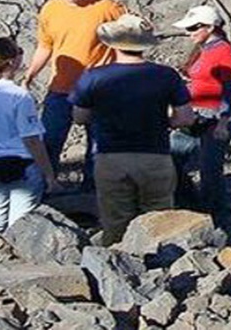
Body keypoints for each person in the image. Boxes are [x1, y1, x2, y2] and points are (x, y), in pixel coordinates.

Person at [70, 15, 197, 245]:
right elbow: (185, 117)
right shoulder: (166, 75)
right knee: (159, 220)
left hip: (111, 157)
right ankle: (162, 261)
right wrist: (162, 121)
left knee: (115, 221)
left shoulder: (94, 76)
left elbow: (79, 117)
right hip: (155, 155)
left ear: (114, 43)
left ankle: (116, 259)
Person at [23, 0, 127, 190]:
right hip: (61, 88)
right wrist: (30, 74)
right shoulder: (51, 9)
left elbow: (128, 40)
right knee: (50, 139)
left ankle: (92, 191)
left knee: (98, 145)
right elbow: (45, 45)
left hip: (98, 90)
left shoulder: (108, 8)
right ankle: (45, 187)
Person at [0, 37, 60, 239]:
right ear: (11, 61)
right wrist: (49, 174)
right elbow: (32, 140)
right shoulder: (18, 96)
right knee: (21, 220)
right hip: (20, 164)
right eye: (19, 52)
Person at [169, 4, 231, 219]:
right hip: (194, 115)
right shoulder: (206, 50)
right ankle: (191, 204)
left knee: (210, 172)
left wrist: (223, 122)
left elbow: (229, 90)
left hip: (212, 117)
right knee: (170, 160)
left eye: (193, 28)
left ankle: (215, 217)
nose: (188, 33)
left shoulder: (224, 53)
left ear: (209, 27)